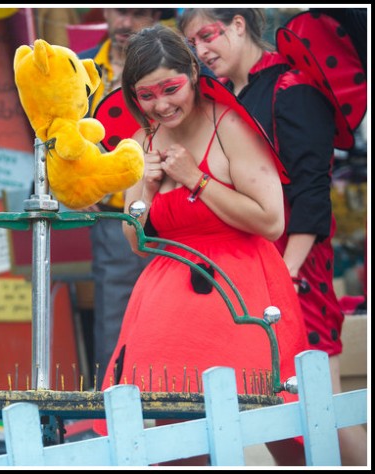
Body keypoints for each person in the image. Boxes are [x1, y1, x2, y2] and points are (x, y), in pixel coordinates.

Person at [91, 25, 310, 466]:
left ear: (192, 73)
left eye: (170, 88)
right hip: (167, 299)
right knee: (172, 428)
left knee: (279, 423)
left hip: (242, 290)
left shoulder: (228, 125)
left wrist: (197, 179)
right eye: (146, 96)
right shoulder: (141, 142)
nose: (162, 105)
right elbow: (136, 241)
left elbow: (272, 220)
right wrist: (146, 193)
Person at [178, 9, 367, 465]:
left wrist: (287, 271)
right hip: (251, 270)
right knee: (275, 417)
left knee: (320, 412)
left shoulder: (294, 88)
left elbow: (312, 195)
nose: (202, 51)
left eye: (208, 35)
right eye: (193, 44)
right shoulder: (224, 97)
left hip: (295, 272)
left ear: (239, 24)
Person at [76, 7, 163, 377]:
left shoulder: (170, 61)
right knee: (114, 318)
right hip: (113, 213)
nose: (125, 23)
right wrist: (77, 181)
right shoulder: (80, 69)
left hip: (171, 205)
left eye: (138, 12)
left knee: (174, 316)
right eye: (118, 11)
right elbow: (56, 133)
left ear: (157, 13)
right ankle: (109, 415)